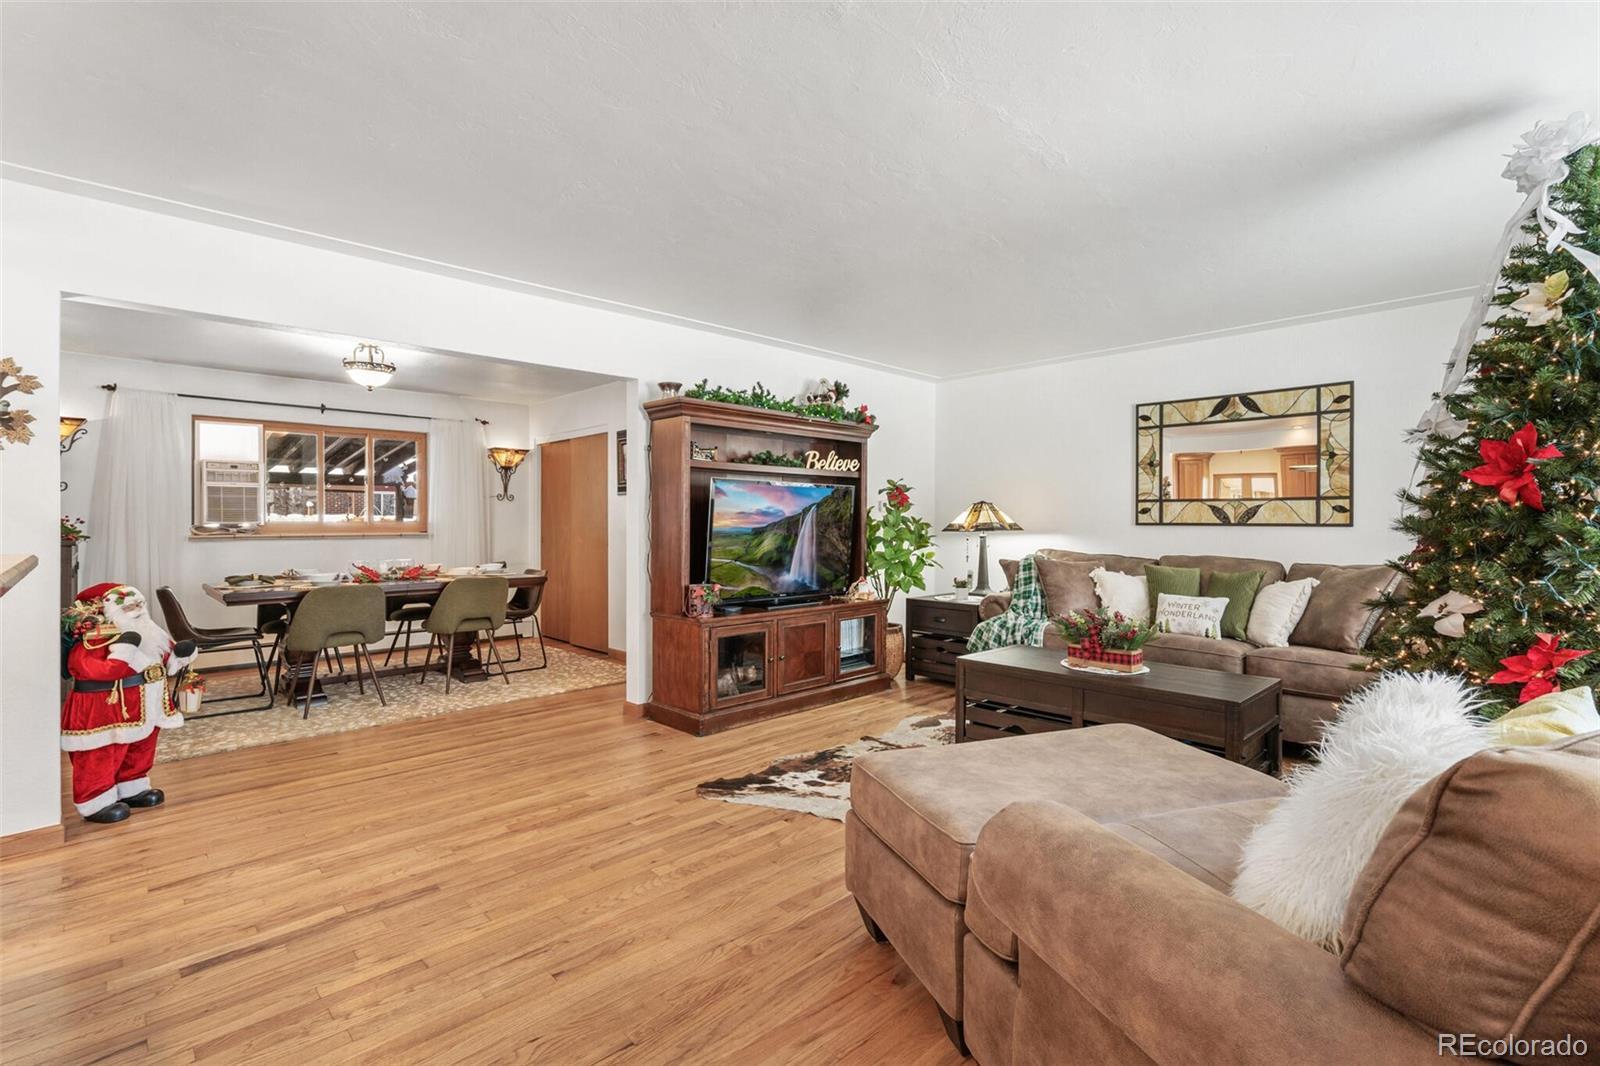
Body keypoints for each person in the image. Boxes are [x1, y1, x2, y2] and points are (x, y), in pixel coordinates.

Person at [60, 583, 196, 823]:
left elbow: (163, 656)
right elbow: (89, 669)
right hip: (106, 710)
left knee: (141, 747)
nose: (139, 610)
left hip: (146, 705)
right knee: (102, 753)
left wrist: (179, 656)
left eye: (140, 605)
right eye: (131, 606)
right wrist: (123, 651)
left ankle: (132, 787)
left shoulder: (149, 633)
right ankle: (96, 800)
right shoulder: (95, 639)